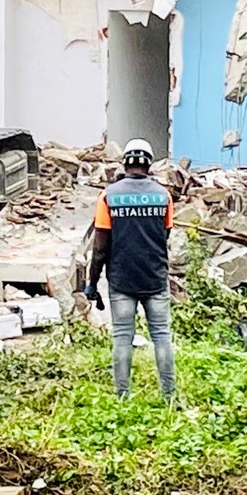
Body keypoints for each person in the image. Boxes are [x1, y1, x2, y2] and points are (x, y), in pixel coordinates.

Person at [83, 138, 176, 400]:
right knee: (161, 336)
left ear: (125, 163)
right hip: (155, 279)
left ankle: (122, 396)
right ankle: (169, 396)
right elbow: (164, 234)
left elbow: (100, 247)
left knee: (122, 337)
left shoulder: (108, 196)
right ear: (149, 164)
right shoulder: (163, 196)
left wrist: (92, 283)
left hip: (121, 280)